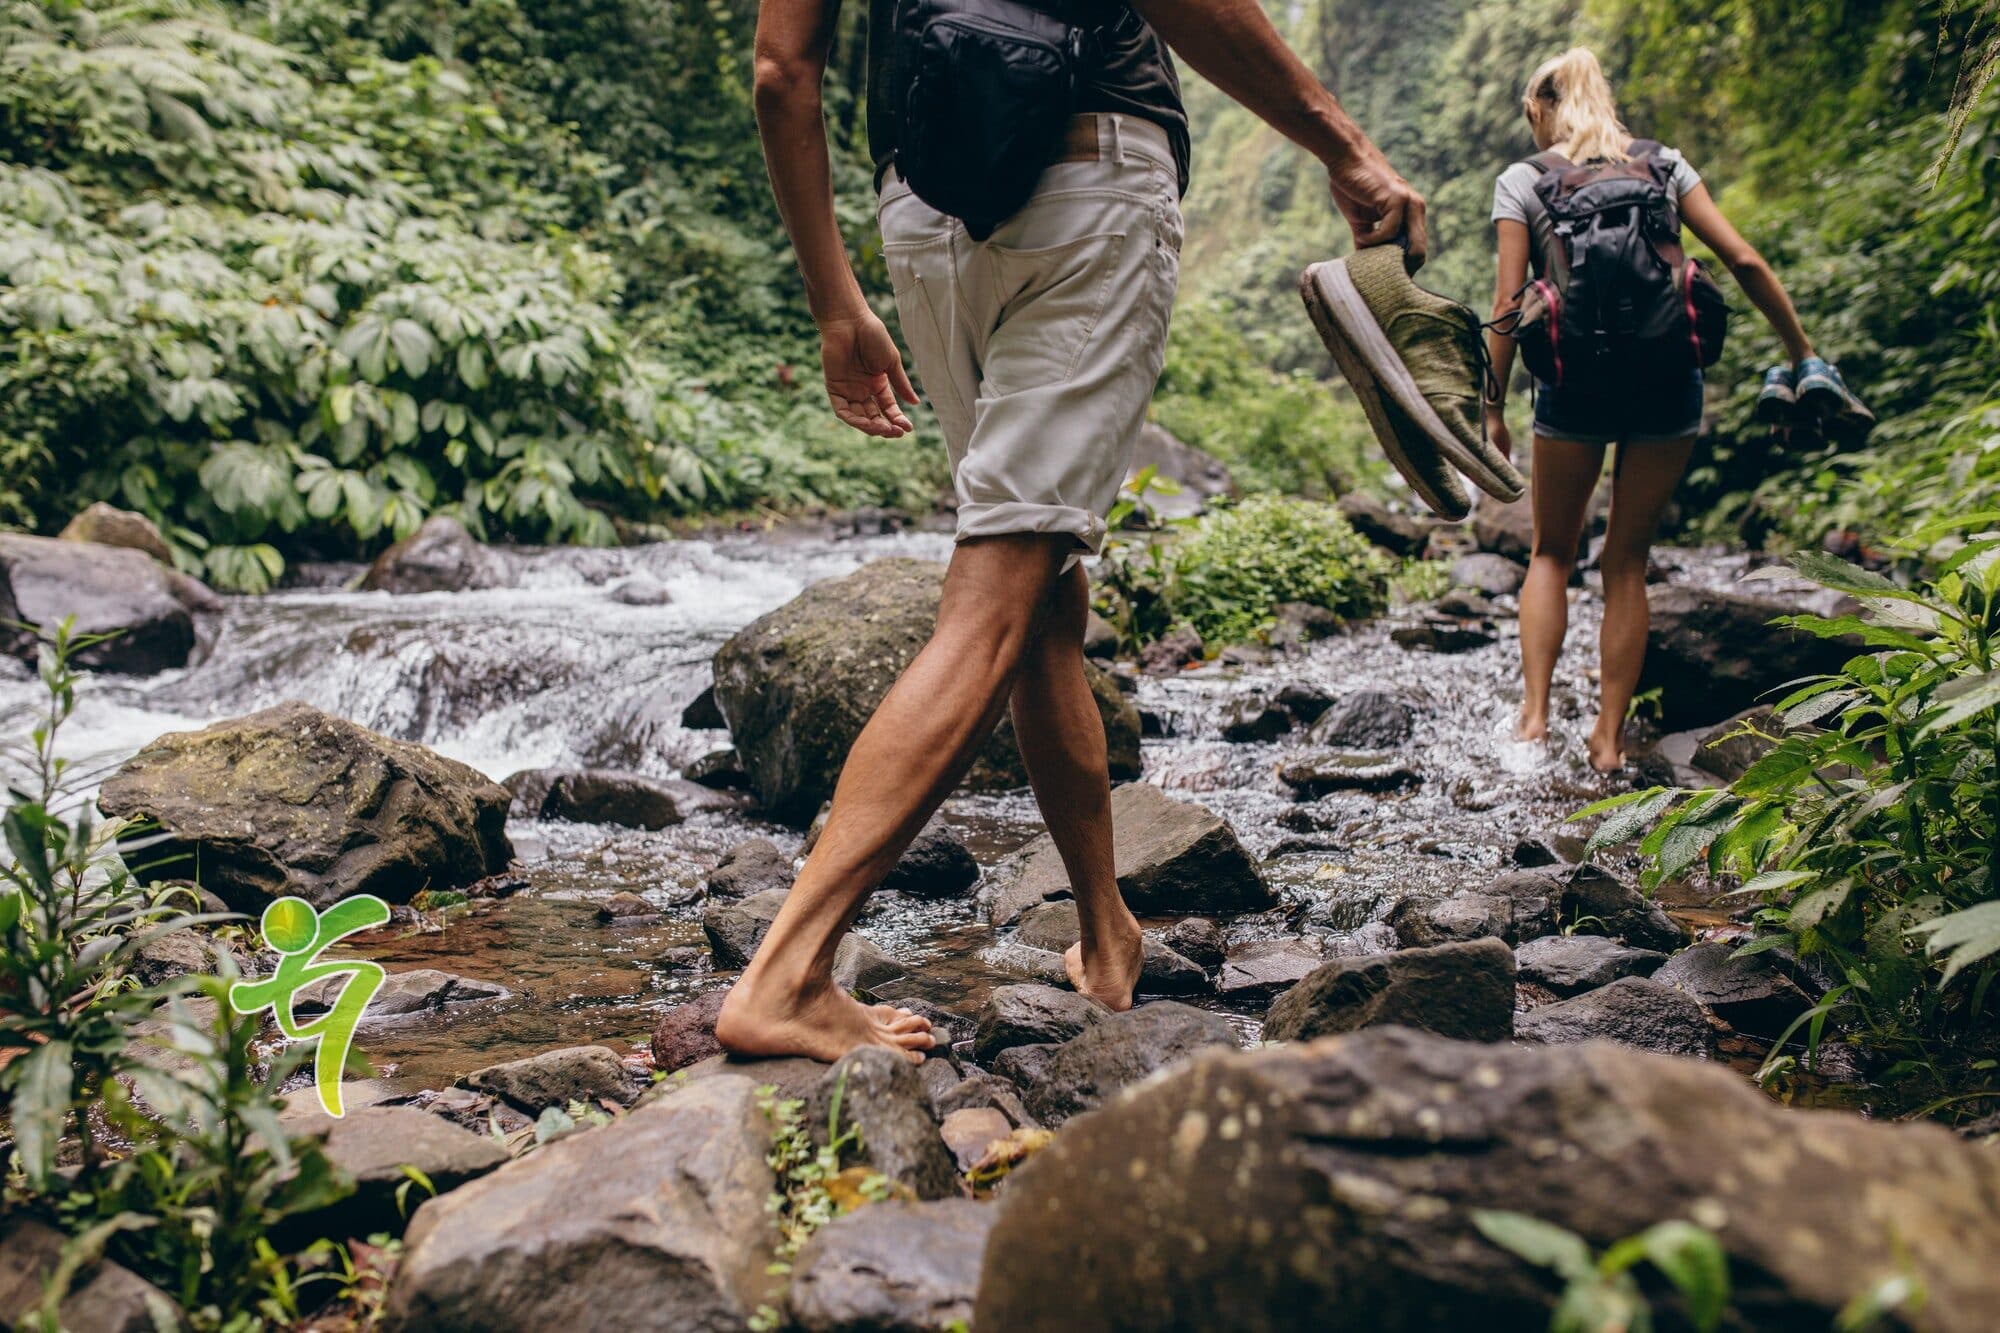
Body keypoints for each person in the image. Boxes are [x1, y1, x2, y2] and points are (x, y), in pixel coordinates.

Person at [717, 0, 1425, 1063]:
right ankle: (787, 971)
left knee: (1042, 592)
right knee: (1000, 590)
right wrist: (1345, 149)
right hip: (1085, 174)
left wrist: (833, 302)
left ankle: (1104, 932)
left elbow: (782, 71)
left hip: (924, 203)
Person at [1483, 47, 1820, 773]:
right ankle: (1607, 739)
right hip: (1670, 381)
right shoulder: (1666, 165)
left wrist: (1491, 412)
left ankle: (1534, 721)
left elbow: (1508, 307)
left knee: (1550, 553)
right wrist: (1803, 353)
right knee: (1626, 564)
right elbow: (1745, 261)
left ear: (1542, 110)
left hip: (1574, 386)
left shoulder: (1525, 180)